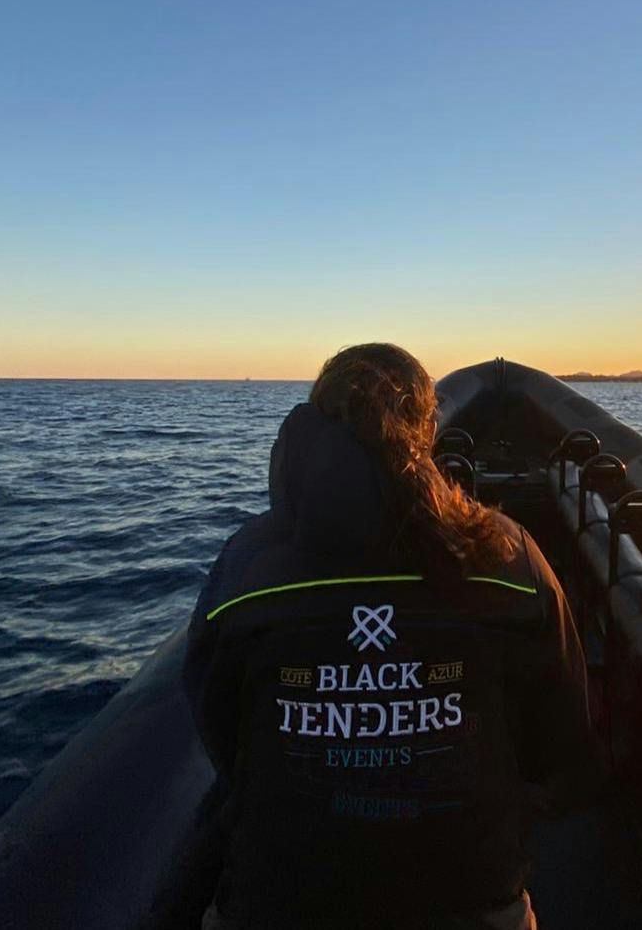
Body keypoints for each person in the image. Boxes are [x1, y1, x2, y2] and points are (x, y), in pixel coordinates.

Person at [184, 343, 596, 930]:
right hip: (473, 900)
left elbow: (218, 724)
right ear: (427, 429)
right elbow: (562, 736)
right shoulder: (507, 552)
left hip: (275, 904)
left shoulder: (248, 563)